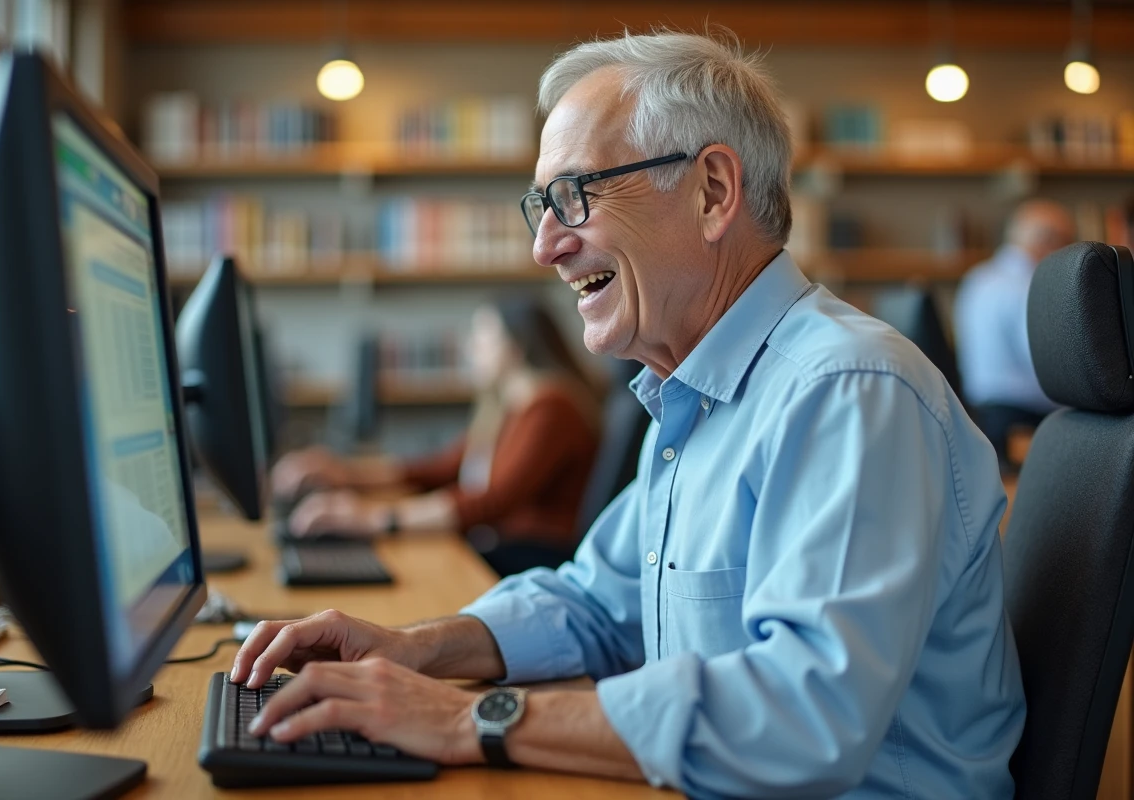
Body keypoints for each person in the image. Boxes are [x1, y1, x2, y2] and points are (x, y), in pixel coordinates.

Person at [232, 30, 1024, 798]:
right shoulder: (689, 398)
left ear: (713, 192)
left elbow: (805, 715)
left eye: (575, 196)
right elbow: (595, 603)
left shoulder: (847, 390)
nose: (545, 246)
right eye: (541, 206)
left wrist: (466, 718)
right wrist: (413, 649)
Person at [271, 296, 601, 575]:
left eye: (482, 335)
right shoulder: (510, 407)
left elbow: (493, 501)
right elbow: (438, 469)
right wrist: (344, 474)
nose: (471, 347)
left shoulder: (552, 408)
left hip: (535, 559)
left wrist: (373, 519)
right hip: (505, 548)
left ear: (517, 345)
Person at [953, 200, 1075, 469]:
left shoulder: (978, 277)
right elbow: (1046, 362)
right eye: (1068, 243)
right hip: (1027, 420)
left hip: (982, 413)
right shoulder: (1033, 284)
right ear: (1047, 241)